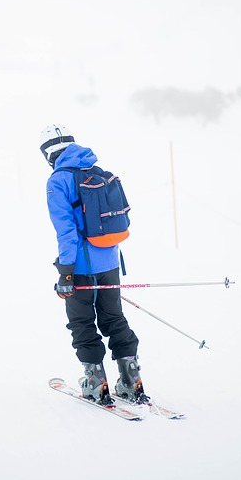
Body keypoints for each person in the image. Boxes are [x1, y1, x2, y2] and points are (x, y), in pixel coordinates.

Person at [39, 123, 148, 405]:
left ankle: (95, 382)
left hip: (80, 267)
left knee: (82, 322)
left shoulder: (58, 181)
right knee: (114, 318)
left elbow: (66, 231)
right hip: (110, 260)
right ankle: (130, 380)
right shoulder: (97, 172)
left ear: (48, 153)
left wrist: (66, 272)